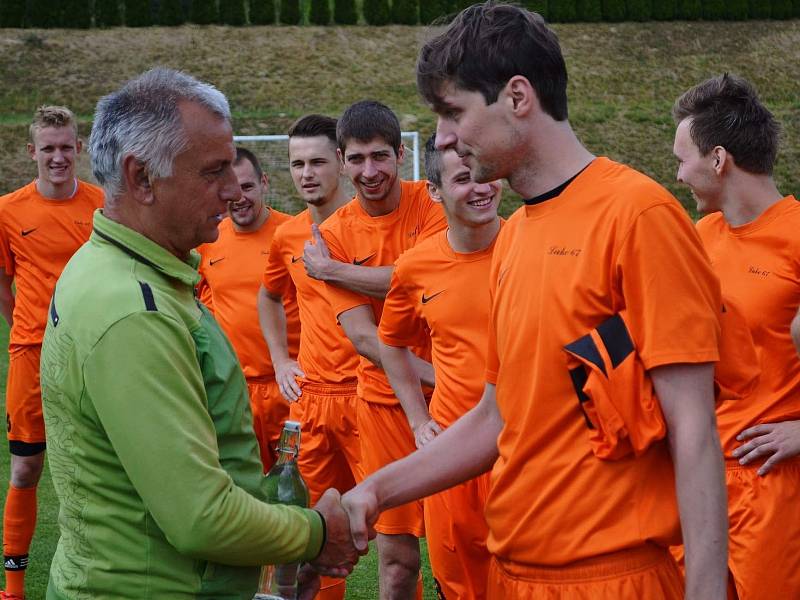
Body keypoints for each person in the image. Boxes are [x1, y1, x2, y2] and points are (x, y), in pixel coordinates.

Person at [343, 4, 729, 600]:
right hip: (513, 573)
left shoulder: (638, 215)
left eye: (453, 112)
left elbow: (695, 430)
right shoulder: (515, 235)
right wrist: (377, 489)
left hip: (610, 578)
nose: (443, 136)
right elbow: (497, 419)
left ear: (517, 96)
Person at [39, 67, 359, 600]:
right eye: (213, 172)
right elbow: (201, 517)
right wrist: (317, 533)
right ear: (141, 178)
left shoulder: (117, 268)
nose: (234, 190)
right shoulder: (133, 311)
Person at [306, 100, 447, 599]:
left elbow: (430, 278)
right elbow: (365, 338)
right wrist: (444, 376)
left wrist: (335, 272)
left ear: (400, 153)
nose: (370, 171)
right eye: (358, 159)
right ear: (343, 161)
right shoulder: (334, 234)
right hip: (386, 407)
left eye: (381, 157)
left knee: (470, 546)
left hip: (461, 404)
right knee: (398, 561)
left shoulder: (433, 202)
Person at [672, 73, 800, 599]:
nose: (678, 174)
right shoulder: (697, 238)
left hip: (772, 482)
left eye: (682, 159)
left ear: (718, 159)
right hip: (697, 476)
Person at [377, 137, 502, 599]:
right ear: (434, 191)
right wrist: (418, 419)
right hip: (453, 451)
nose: (481, 188)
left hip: (524, 450)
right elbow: (391, 344)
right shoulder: (415, 267)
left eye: (486, 174)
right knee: (458, 585)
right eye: (463, 179)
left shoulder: (529, 246)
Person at [0, 105, 103, 600]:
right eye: (48, 148)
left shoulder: (104, 205)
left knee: (100, 466)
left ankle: (103, 573)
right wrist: (28, 328)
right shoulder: (8, 210)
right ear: (31, 152)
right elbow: (2, 283)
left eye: (66, 147)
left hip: (95, 354)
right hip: (32, 355)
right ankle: (13, 589)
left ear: (79, 147)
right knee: (25, 467)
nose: (58, 157)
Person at [259, 114, 363, 600]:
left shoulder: (371, 225)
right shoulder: (287, 237)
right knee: (305, 533)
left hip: (372, 396)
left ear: (340, 162)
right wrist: (282, 359)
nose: (307, 173)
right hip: (312, 400)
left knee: (400, 540)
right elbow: (270, 297)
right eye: (297, 163)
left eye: (318, 161)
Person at [197, 146, 300, 469]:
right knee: (246, 490)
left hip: (291, 387)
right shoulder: (208, 241)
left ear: (264, 182)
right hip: (235, 392)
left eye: (248, 187)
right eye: (232, 189)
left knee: (296, 488)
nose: (239, 198)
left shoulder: (294, 234)